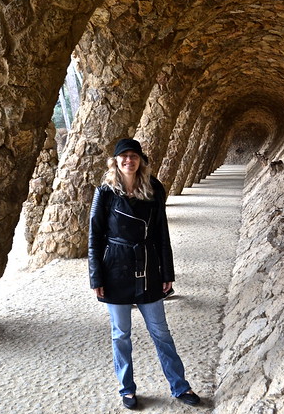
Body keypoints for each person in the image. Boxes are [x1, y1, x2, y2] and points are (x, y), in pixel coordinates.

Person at [88, 138, 201, 410]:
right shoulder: (104, 193)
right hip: (115, 267)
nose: (129, 160)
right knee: (120, 335)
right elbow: (94, 236)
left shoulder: (154, 188)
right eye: (123, 156)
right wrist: (96, 277)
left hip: (148, 266)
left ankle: (180, 386)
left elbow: (162, 232)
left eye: (134, 156)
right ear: (115, 161)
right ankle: (126, 389)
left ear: (141, 160)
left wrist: (167, 271)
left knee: (160, 332)